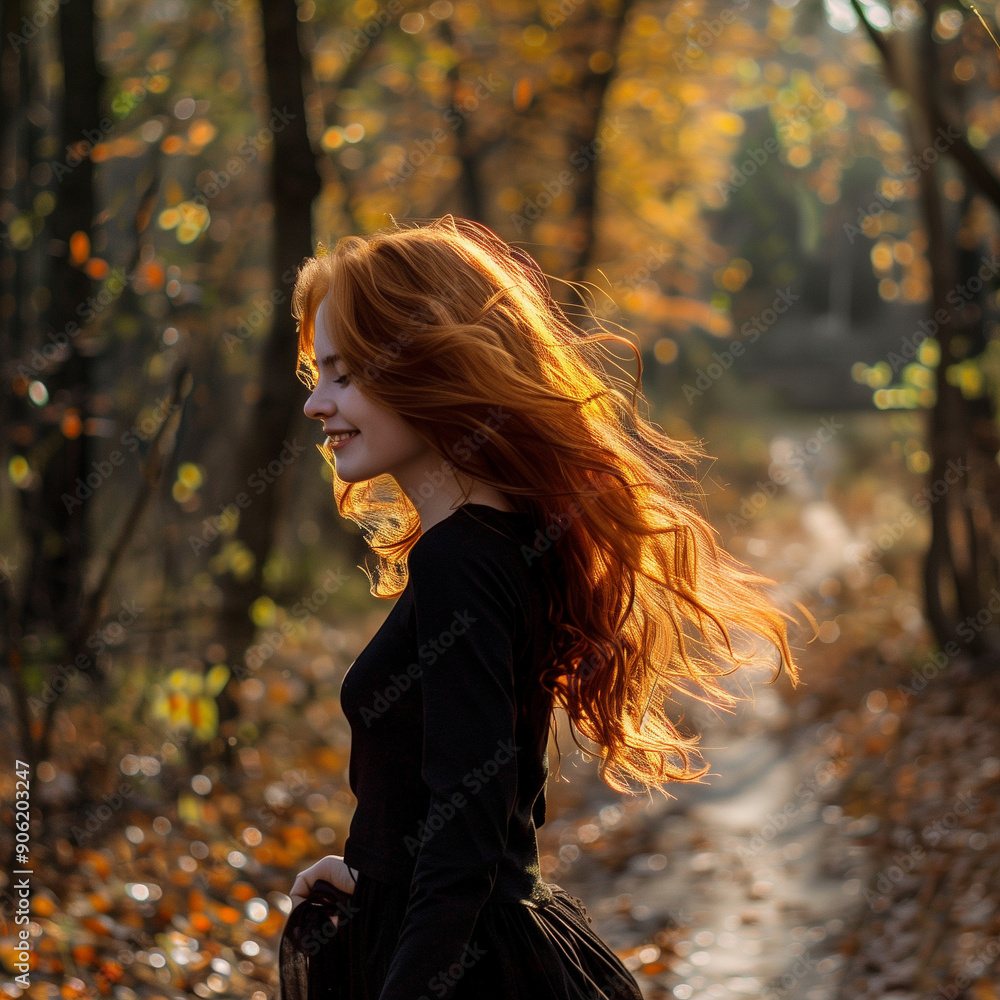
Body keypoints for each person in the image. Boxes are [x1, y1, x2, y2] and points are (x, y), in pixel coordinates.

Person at [278, 215, 814, 1000]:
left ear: (427, 365)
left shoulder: (461, 558)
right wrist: (372, 870)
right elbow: (474, 801)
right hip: (451, 934)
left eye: (344, 375)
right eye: (317, 375)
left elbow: (468, 838)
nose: (314, 404)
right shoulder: (496, 543)